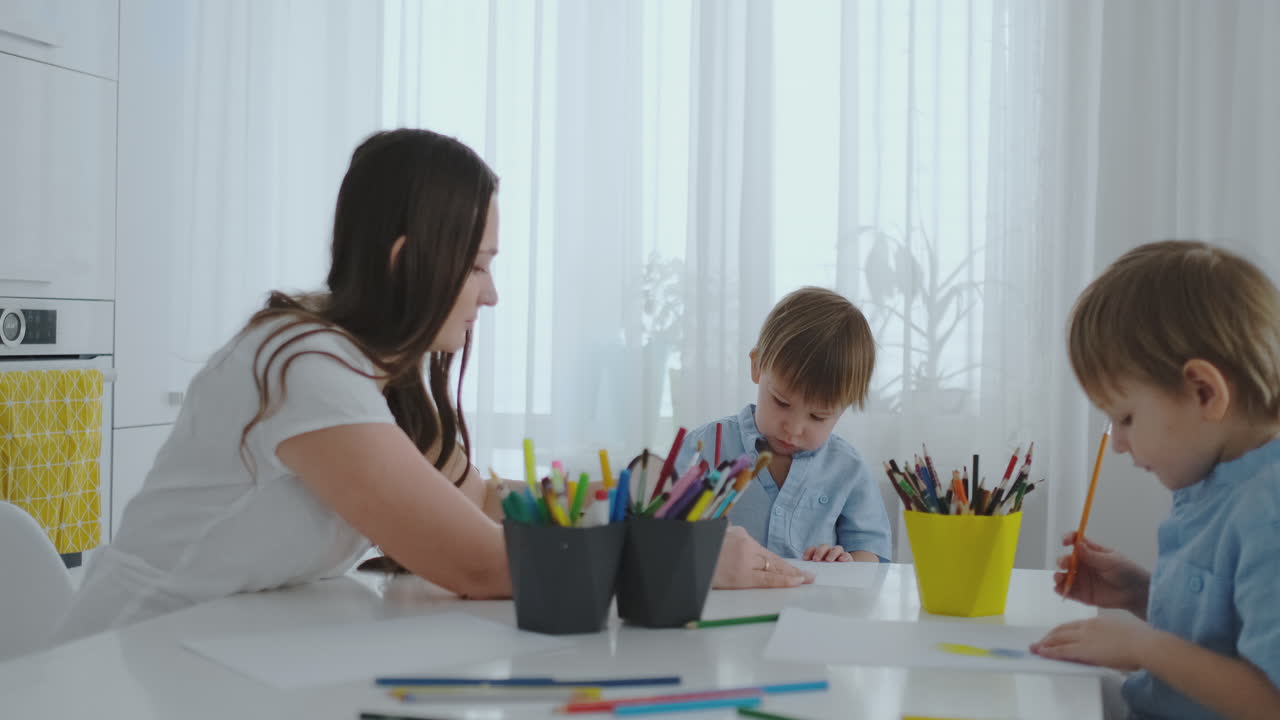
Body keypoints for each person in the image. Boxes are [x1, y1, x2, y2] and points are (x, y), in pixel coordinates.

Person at [53, 129, 809, 644]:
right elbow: (478, 563)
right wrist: (679, 563)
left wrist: (611, 502)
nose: (491, 295)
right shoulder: (304, 367)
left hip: (217, 650)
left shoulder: (376, 371)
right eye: (479, 264)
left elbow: (477, 500)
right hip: (128, 659)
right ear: (407, 258)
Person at [1031, 241, 1280, 720]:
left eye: (1125, 417)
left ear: (1203, 392)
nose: (1119, 443)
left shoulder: (1268, 509)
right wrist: (1139, 593)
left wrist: (1144, 648)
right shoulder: (1214, 483)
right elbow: (1221, 639)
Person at [673, 287, 892, 562]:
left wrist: (846, 563)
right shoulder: (705, 446)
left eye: (818, 417)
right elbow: (665, 534)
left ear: (844, 407)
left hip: (811, 604)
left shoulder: (847, 468)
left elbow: (872, 555)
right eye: (781, 402)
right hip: (724, 602)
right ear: (757, 366)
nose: (794, 428)